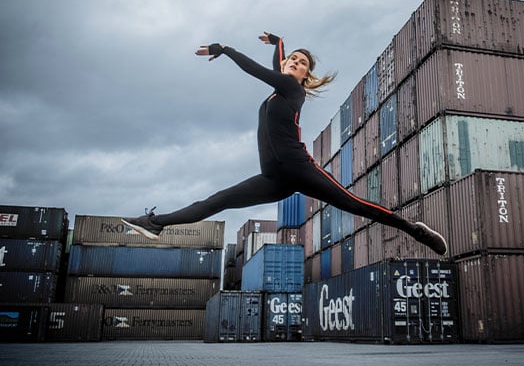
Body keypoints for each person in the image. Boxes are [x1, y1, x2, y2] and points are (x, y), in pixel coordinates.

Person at [122, 32, 448, 256]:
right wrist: (279, 42)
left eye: (302, 63)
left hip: (299, 168)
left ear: (306, 76)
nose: (295, 62)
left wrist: (225, 49)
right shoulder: (279, 87)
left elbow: (261, 69)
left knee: (354, 205)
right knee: (217, 200)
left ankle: (414, 229)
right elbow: (279, 60)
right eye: (293, 59)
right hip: (274, 180)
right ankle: (154, 223)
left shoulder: (294, 90)